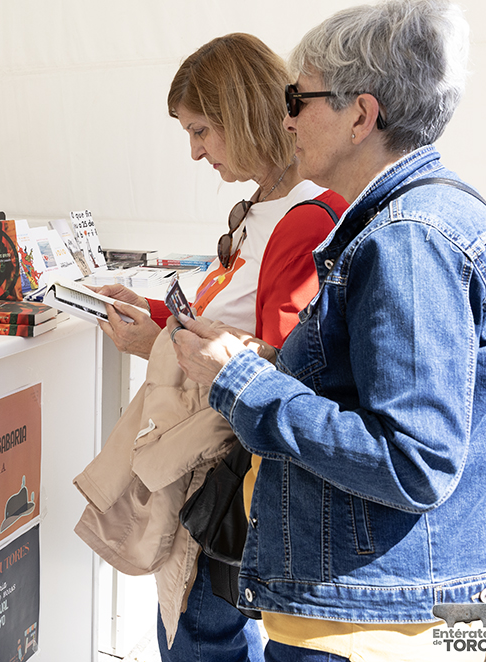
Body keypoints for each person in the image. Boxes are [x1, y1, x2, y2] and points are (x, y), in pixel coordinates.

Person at [173, 0, 486, 662]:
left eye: (298, 99)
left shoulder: (409, 237)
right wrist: (272, 363)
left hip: (377, 623)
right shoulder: (421, 219)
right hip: (407, 606)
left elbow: (414, 459)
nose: (285, 119)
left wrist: (243, 384)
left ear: (361, 113)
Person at [73, 33, 347, 662]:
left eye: (201, 131)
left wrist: (159, 344)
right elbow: (227, 322)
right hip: (220, 469)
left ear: (244, 114)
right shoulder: (267, 206)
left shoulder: (305, 217)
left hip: (232, 474)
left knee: (202, 638)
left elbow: (279, 369)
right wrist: (152, 316)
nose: (195, 153)